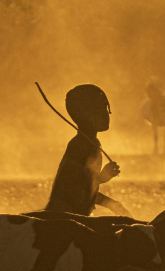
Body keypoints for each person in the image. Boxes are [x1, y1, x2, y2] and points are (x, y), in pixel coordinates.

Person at [45, 84, 129, 216]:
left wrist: (101, 181)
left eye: (106, 109)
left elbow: (84, 187)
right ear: (85, 115)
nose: (106, 115)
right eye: (100, 110)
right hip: (63, 219)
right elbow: (71, 190)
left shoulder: (91, 144)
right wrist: (101, 179)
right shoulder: (79, 146)